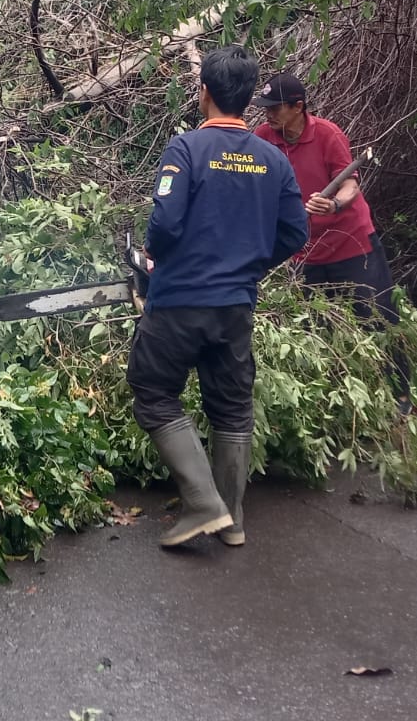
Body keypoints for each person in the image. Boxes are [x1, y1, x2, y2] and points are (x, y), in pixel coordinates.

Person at [129, 46, 308, 548]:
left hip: (180, 300)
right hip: (235, 306)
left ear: (204, 91)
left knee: (153, 389)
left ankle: (203, 504)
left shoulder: (185, 149)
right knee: (231, 408)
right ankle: (232, 521)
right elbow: (295, 232)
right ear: (249, 99)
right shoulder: (272, 159)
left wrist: (154, 257)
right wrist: (251, 264)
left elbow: (164, 225)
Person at [250, 72, 410, 399]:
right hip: (303, 249)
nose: (268, 113)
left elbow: (350, 182)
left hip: (350, 244)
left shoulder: (327, 134)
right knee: (314, 326)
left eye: (276, 108)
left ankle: (399, 393)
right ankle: (330, 396)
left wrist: (334, 203)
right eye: (265, 107)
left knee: (377, 317)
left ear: (298, 107)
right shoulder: (264, 137)